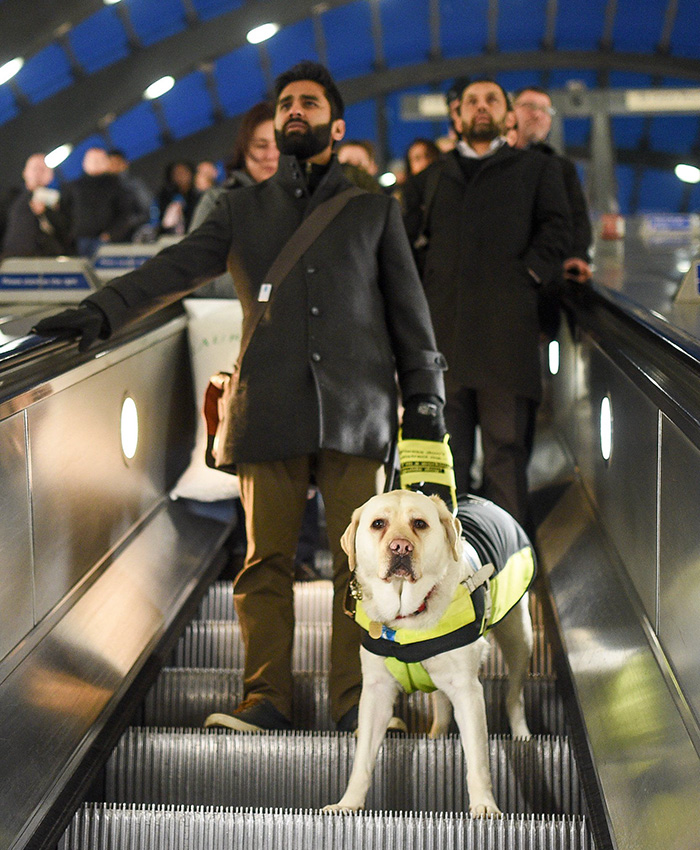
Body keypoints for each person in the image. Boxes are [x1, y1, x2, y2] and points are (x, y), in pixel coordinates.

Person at [33, 60, 447, 735]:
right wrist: (101, 311)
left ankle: (359, 702)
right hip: (267, 406)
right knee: (264, 564)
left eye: (308, 103)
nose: (294, 111)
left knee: (366, 566)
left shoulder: (373, 210)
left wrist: (425, 397)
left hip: (356, 409)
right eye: (285, 104)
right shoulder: (240, 210)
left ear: (337, 127)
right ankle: (266, 699)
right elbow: (172, 269)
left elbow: (410, 311)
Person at [403, 78, 571, 534]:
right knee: (447, 459)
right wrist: (428, 285)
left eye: (492, 100)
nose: (481, 107)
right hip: (445, 339)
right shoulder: (431, 178)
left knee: (505, 454)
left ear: (508, 115)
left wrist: (527, 275)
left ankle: (512, 561)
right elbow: (403, 243)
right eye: (472, 101)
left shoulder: (536, 169)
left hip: (506, 336)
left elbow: (559, 228)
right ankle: (451, 565)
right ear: (457, 115)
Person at [512, 86, 592, 287]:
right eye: (529, 106)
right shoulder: (496, 163)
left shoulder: (562, 167)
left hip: (547, 277)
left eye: (545, 110)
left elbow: (578, 217)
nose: (537, 114)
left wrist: (577, 255)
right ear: (510, 113)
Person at [62, 147, 148, 257]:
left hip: (108, 241)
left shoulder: (117, 186)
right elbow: (64, 211)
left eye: (99, 160)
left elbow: (126, 213)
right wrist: (71, 233)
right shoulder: (74, 187)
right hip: (79, 240)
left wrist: (112, 234)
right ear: (84, 163)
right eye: (92, 160)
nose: (96, 163)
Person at [2, 153, 72, 257]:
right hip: (13, 258)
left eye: (42, 169)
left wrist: (46, 212)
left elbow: (66, 231)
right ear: (25, 172)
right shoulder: (11, 197)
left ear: (51, 174)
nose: (38, 173)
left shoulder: (60, 200)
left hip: (46, 258)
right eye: (34, 168)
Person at [157, 160, 199, 235]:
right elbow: (164, 222)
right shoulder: (166, 196)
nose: (181, 177)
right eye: (177, 173)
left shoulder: (198, 195)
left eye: (184, 172)